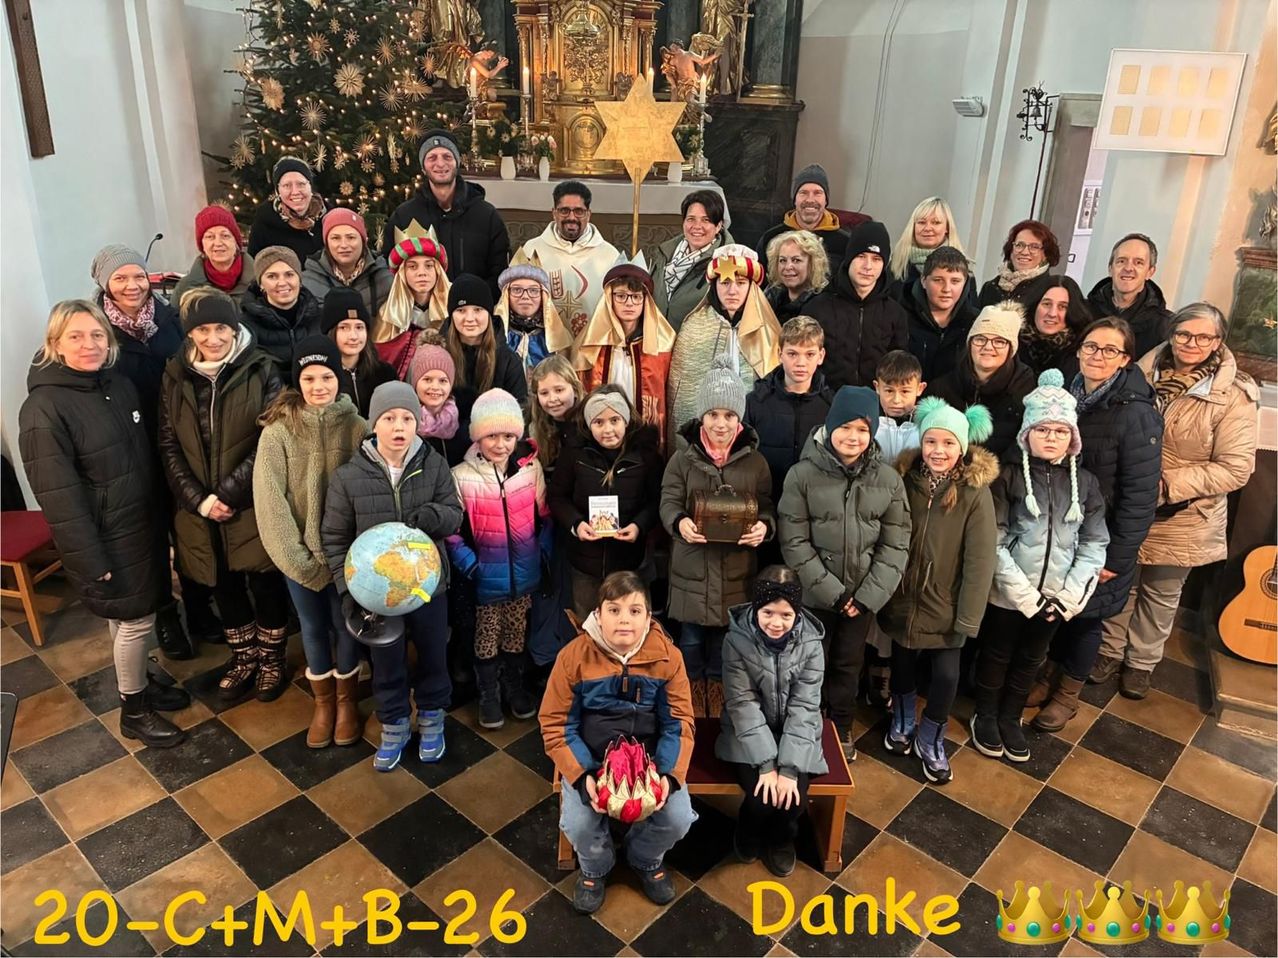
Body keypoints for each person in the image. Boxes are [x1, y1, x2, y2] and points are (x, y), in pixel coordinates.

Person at [19, 301, 189, 747]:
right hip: (104, 536)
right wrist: (90, 558)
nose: (88, 345)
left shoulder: (115, 384)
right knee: (134, 621)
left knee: (129, 614)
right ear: (54, 344)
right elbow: (59, 497)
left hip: (140, 524)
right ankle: (134, 709)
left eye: (96, 335)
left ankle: (142, 680)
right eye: (75, 337)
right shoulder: (44, 408)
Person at [1091, 304, 1257, 698]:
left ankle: (1141, 662)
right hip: (1130, 502)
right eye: (1184, 334)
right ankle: (1108, 651)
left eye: (1203, 337)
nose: (1191, 344)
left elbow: (1235, 468)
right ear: (1171, 334)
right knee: (1120, 581)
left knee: (1161, 592)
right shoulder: (1139, 374)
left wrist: (1165, 484)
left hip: (1184, 512)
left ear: (1218, 342)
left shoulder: (1231, 396)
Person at [156, 289, 290, 702]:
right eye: (202, 329)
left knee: (264, 584)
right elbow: (168, 443)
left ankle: (271, 658)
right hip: (200, 507)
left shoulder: (261, 369)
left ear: (233, 328)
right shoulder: (175, 375)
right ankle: (243, 655)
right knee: (223, 584)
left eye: (220, 328)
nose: (212, 338)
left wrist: (228, 492)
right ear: (190, 332)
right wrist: (199, 499)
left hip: (250, 500)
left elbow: (271, 435)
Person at [1029, 318, 1163, 730]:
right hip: (1062, 530)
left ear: (1125, 359)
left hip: (1100, 540)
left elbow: (1140, 495)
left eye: (1109, 350)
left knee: (1087, 619)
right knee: (1058, 612)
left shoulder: (1136, 414)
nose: (1097, 356)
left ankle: (1068, 694)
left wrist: (1118, 557)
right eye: (1091, 347)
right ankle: (1048, 675)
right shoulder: (1066, 397)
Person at [322, 382, 463, 770]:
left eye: (406, 418)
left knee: (434, 654)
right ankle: (395, 722)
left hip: (428, 587)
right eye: (389, 418)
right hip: (376, 594)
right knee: (386, 663)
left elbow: (454, 513)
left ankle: (433, 716)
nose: (398, 427)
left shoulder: (432, 463)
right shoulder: (349, 476)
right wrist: (348, 590)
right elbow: (334, 538)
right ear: (374, 424)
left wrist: (433, 517)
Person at [970, 370, 1109, 763]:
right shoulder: (1007, 478)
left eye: (1061, 431)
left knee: (1032, 658)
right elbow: (992, 541)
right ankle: (986, 714)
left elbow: (1095, 543)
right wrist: (1025, 596)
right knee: (996, 654)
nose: (1051, 437)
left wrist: (1066, 598)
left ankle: (1011, 717)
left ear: (1073, 438)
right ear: (1027, 433)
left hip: (1056, 597)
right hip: (1010, 593)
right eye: (1043, 429)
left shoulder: (1087, 484)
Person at [539, 571, 696, 915]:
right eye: (614, 610)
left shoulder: (669, 658)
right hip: (592, 759)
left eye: (635, 611)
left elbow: (679, 724)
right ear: (597, 614)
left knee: (678, 817)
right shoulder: (573, 657)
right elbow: (555, 724)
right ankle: (596, 867)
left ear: (648, 617)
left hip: (651, 761)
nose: (624, 619)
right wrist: (582, 777)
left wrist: (667, 778)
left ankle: (644, 857)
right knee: (579, 824)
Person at [90, 244, 209, 656]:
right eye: (120, 278)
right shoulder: (98, 330)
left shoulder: (169, 318)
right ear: (104, 283)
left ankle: (199, 608)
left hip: (178, 439)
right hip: (131, 449)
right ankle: (166, 618)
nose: (131, 285)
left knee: (189, 529)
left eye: (137, 276)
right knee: (151, 538)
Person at [777, 384, 910, 755]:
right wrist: (832, 592)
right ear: (830, 426)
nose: (853, 437)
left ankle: (841, 726)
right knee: (807, 664)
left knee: (848, 665)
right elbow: (794, 541)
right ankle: (805, 726)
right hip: (816, 595)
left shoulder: (887, 480)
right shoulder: (802, 475)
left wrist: (865, 597)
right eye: (846, 427)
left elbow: (896, 543)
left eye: (862, 430)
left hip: (861, 598)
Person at [253, 338, 367, 749]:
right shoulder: (278, 431)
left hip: (346, 557)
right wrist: (296, 559)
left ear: (339, 378)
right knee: (314, 628)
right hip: (299, 556)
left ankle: (347, 701)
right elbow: (271, 502)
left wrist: (354, 556)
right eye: (309, 378)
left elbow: (369, 492)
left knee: (345, 625)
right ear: (296, 382)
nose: (319, 386)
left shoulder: (358, 427)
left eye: (327, 377)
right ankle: (324, 705)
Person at [879, 397, 997, 784]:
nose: (938, 451)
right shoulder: (903, 480)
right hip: (903, 597)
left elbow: (980, 561)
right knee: (903, 663)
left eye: (948, 444)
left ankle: (931, 734)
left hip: (946, 604)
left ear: (961, 448)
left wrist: (968, 616)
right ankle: (902, 716)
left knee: (946, 676)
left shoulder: (974, 494)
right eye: (931, 442)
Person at [661, 356, 775, 717]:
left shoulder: (755, 462)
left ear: (739, 419)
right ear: (701, 417)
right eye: (713, 415)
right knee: (690, 643)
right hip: (692, 574)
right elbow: (668, 501)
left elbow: (768, 506)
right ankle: (691, 703)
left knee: (728, 646)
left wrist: (764, 528)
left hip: (735, 574)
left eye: (729, 416)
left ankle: (720, 704)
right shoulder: (682, 459)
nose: (721, 424)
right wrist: (678, 522)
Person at [447, 388, 552, 729]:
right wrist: (471, 565)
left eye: (508, 436)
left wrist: (541, 553)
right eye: (492, 436)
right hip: (484, 577)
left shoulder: (529, 469)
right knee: (486, 637)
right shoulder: (461, 476)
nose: (501, 444)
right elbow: (451, 532)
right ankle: (488, 692)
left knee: (515, 634)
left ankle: (514, 684)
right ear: (478, 436)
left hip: (524, 574)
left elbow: (545, 515)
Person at [717, 567, 826, 878]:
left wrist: (789, 768)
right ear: (755, 608)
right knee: (762, 796)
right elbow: (742, 705)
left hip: (796, 731)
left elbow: (805, 706)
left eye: (786, 615)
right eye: (767, 612)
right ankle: (748, 830)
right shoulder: (736, 641)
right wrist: (767, 764)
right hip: (747, 731)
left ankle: (781, 838)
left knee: (794, 798)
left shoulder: (811, 643)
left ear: (797, 613)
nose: (776, 623)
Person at [549, 385, 664, 619]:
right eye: (598, 422)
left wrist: (639, 526)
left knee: (631, 624)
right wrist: (577, 524)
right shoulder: (574, 453)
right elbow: (557, 496)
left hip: (631, 561)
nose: (607, 429)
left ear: (626, 420)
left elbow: (656, 499)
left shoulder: (645, 455)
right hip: (585, 563)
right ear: (589, 424)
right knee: (588, 626)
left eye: (614, 420)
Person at [667, 245, 781, 449]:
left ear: (752, 287)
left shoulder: (767, 330)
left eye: (741, 282)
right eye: (725, 282)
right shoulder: (694, 326)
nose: (732, 291)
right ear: (714, 285)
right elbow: (682, 394)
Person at [383, 129, 511, 296]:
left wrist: (477, 302)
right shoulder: (404, 216)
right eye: (432, 158)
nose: (440, 164)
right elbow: (391, 268)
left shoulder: (486, 215)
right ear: (423, 166)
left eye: (447, 156)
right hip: (422, 315)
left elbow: (500, 271)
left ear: (457, 162)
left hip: (472, 314)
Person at [526, 355, 585, 672]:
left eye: (559, 390)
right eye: (544, 393)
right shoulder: (538, 428)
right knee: (551, 587)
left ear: (574, 387)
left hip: (583, 517)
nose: (553, 399)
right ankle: (547, 656)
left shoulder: (589, 423)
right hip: (549, 521)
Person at [576, 263, 677, 443]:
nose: (629, 303)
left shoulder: (663, 343)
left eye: (636, 296)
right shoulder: (592, 343)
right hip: (602, 431)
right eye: (621, 296)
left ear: (646, 300)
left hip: (644, 433)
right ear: (609, 298)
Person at [805, 220, 909, 390]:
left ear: (884, 264)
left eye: (876, 259)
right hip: (825, 403)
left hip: (876, 405)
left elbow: (899, 369)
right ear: (849, 258)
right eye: (861, 256)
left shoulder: (895, 313)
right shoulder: (817, 308)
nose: (868, 266)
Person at [930, 302, 1037, 457]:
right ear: (970, 343)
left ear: (1011, 349)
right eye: (980, 339)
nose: (988, 347)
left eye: (999, 341)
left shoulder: (1025, 391)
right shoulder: (942, 388)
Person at [744, 315, 832, 497]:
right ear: (779, 354)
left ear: (821, 356)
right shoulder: (755, 402)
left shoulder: (831, 406)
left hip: (813, 506)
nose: (801, 363)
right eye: (792, 354)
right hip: (764, 501)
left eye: (809, 354)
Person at [520, 182, 621, 335]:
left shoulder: (609, 255)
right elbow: (517, 299)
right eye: (564, 211)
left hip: (592, 344)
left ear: (588, 214)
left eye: (579, 211)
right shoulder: (532, 250)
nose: (571, 217)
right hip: (545, 343)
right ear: (554, 213)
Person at [443, 274, 529, 449]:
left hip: (494, 447)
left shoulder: (508, 360)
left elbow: (519, 412)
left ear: (489, 313)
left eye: (477, 310)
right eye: (461, 310)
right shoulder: (439, 355)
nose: (469, 318)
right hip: (447, 446)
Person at [647, 190, 734, 331]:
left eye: (706, 220)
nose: (697, 226)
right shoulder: (665, 253)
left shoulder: (727, 263)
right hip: (657, 342)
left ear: (718, 226)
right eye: (691, 219)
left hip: (695, 347)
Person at [373, 236, 452, 379]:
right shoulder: (388, 314)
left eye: (429, 266)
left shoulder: (452, 310)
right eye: (412, 266)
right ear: (402, 272)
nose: (422, 273)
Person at [1086, 233, 1171, 361]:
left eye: (1138, 263)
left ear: (1150, 272)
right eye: (1121, 261)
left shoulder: (1165, 326)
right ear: (1110, 268)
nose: (1128, 268)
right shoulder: (1083, 311)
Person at [239, 245, 325, 372]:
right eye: (272, 276)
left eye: (289, 275)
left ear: (299, 279)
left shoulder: (321, 317)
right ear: (260, 283)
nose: (282, 282)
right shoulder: (246, 326)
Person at [904, 246, 979, 382]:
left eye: (955, 281)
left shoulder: (975, 323)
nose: (946, 289)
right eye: (938, 280)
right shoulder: (902, 316)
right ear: (923, 281)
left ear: (965, 283)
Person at [756, 164, 853, 266]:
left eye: (817, 193)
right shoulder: (771, 238)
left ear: (826, 200)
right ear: (795, 200)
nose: (810, 200)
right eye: (803, 193)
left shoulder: (845, 243)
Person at [302, 208, 393, 317]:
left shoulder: (385, 279)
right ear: (326, 243)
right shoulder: (308, 281)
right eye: (335, 238)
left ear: (364, 240)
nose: (344, 245)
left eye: (351, 237)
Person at [889, 196, 977, 309]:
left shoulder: (964, 269)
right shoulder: (896, 265)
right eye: (921, 222)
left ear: (947, 228)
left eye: (936, 222)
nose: (927, 228)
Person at [493, 258, 574, 378]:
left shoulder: (559, 339)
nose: (525, 296)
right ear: (506, 295)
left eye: (533, 290)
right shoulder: (493, 334)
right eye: (517, 290)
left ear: (543, 295)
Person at [322, 288, 396, 417]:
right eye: (344, 327)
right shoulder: (322, 377)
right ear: (331, 332)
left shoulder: (385, 374)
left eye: (359, 327)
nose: (354, 336)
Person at [172, 205, 256, 305]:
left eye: (225, 236)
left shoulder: (260, 281)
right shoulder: (186, 288)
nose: (218, 243)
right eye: (210, 236)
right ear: (202, 245)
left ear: (236, 241)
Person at [247, 156, 326, 262]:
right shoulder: (265, 219)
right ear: (278, 191)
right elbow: (255, 262)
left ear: (310, 186)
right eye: (287, 185)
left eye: (301, 184)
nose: (295, 191)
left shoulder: (328, 214)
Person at [409, 330, 469, 466]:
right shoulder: (405, 421)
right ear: (415, 382)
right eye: (427, 380)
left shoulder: (463, 424)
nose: (435, 387)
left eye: (443, 381)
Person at [977, 219, 1060, 310]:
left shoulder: (1050, 291)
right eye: (1019, 245)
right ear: (1011, 250)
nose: (1025, 252)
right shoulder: (991, 287)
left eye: (1034, 247)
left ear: (1045, 255)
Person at [1019, 276, 1091, 375]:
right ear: (1034, 306)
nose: (1052, 314)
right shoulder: (1012, 345)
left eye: (1062, 307)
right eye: (1047, 304)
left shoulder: (1083, 353)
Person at [764, 230, 831, 323]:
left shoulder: (826, 307)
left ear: (813, 264)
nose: (788, 267)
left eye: (796, 260)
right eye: (782, 260)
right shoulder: (768, 300)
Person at [873, 350, 926, 463]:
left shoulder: (927, 427)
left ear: (920, 389)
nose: (896, 400)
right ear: (877, 387)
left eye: (905, 391)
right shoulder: (868, 423)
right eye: (889, 391)